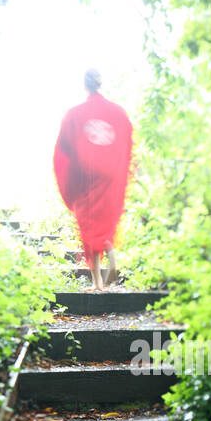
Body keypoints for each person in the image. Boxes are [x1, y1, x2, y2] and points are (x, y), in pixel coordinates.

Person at [52, 69, 133, 291]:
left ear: (85, 85)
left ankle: (98, 283)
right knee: (105, 218)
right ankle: (112, 257)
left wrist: (70, 180)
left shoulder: (75, 114)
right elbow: (127, 141)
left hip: (87, 174)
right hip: (109, 174)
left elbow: (64, 150)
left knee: (89, 223)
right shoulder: (117, 112)